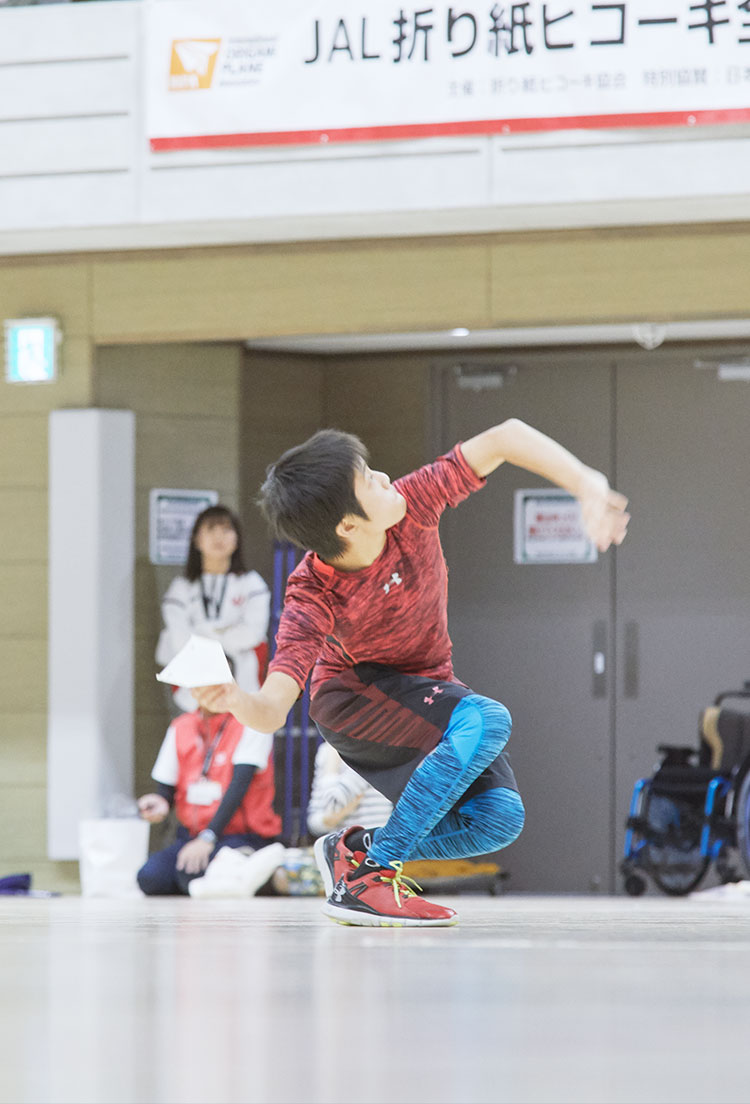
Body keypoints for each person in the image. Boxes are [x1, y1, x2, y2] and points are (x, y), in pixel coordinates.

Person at [193, 418, 629, 927]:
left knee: (498, 820)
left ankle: (355, 851)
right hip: (354, 700)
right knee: (488, 719)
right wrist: (234, 697)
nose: (385, 479)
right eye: (368, 480)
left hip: (425, 687)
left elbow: (505, 437)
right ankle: (371, 880)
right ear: (347, 526)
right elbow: (271, 710)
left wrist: (585, 483)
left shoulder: (413, 503)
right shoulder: (312, 592)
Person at [136, 705, 283, 897]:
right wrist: (160, 802)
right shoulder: (181, 726)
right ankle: (229, 879)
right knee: (150, 877)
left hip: (241, 836)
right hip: (192, 836)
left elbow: (239, 787)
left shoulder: (250, 722)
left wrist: (208, 836)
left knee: (190, 875)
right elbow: (166, 790)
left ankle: (253, 866)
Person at [156, 504, 270, 714]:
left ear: (237, 539)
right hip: (191, 691)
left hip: (243, 688)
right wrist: (222, 633)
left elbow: (252, 634)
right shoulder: (180, 589)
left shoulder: (252, 584)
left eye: (226, 530)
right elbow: (179, 639)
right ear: (196, 539)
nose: (219, 537)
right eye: (211, 529)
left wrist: (203, 634)